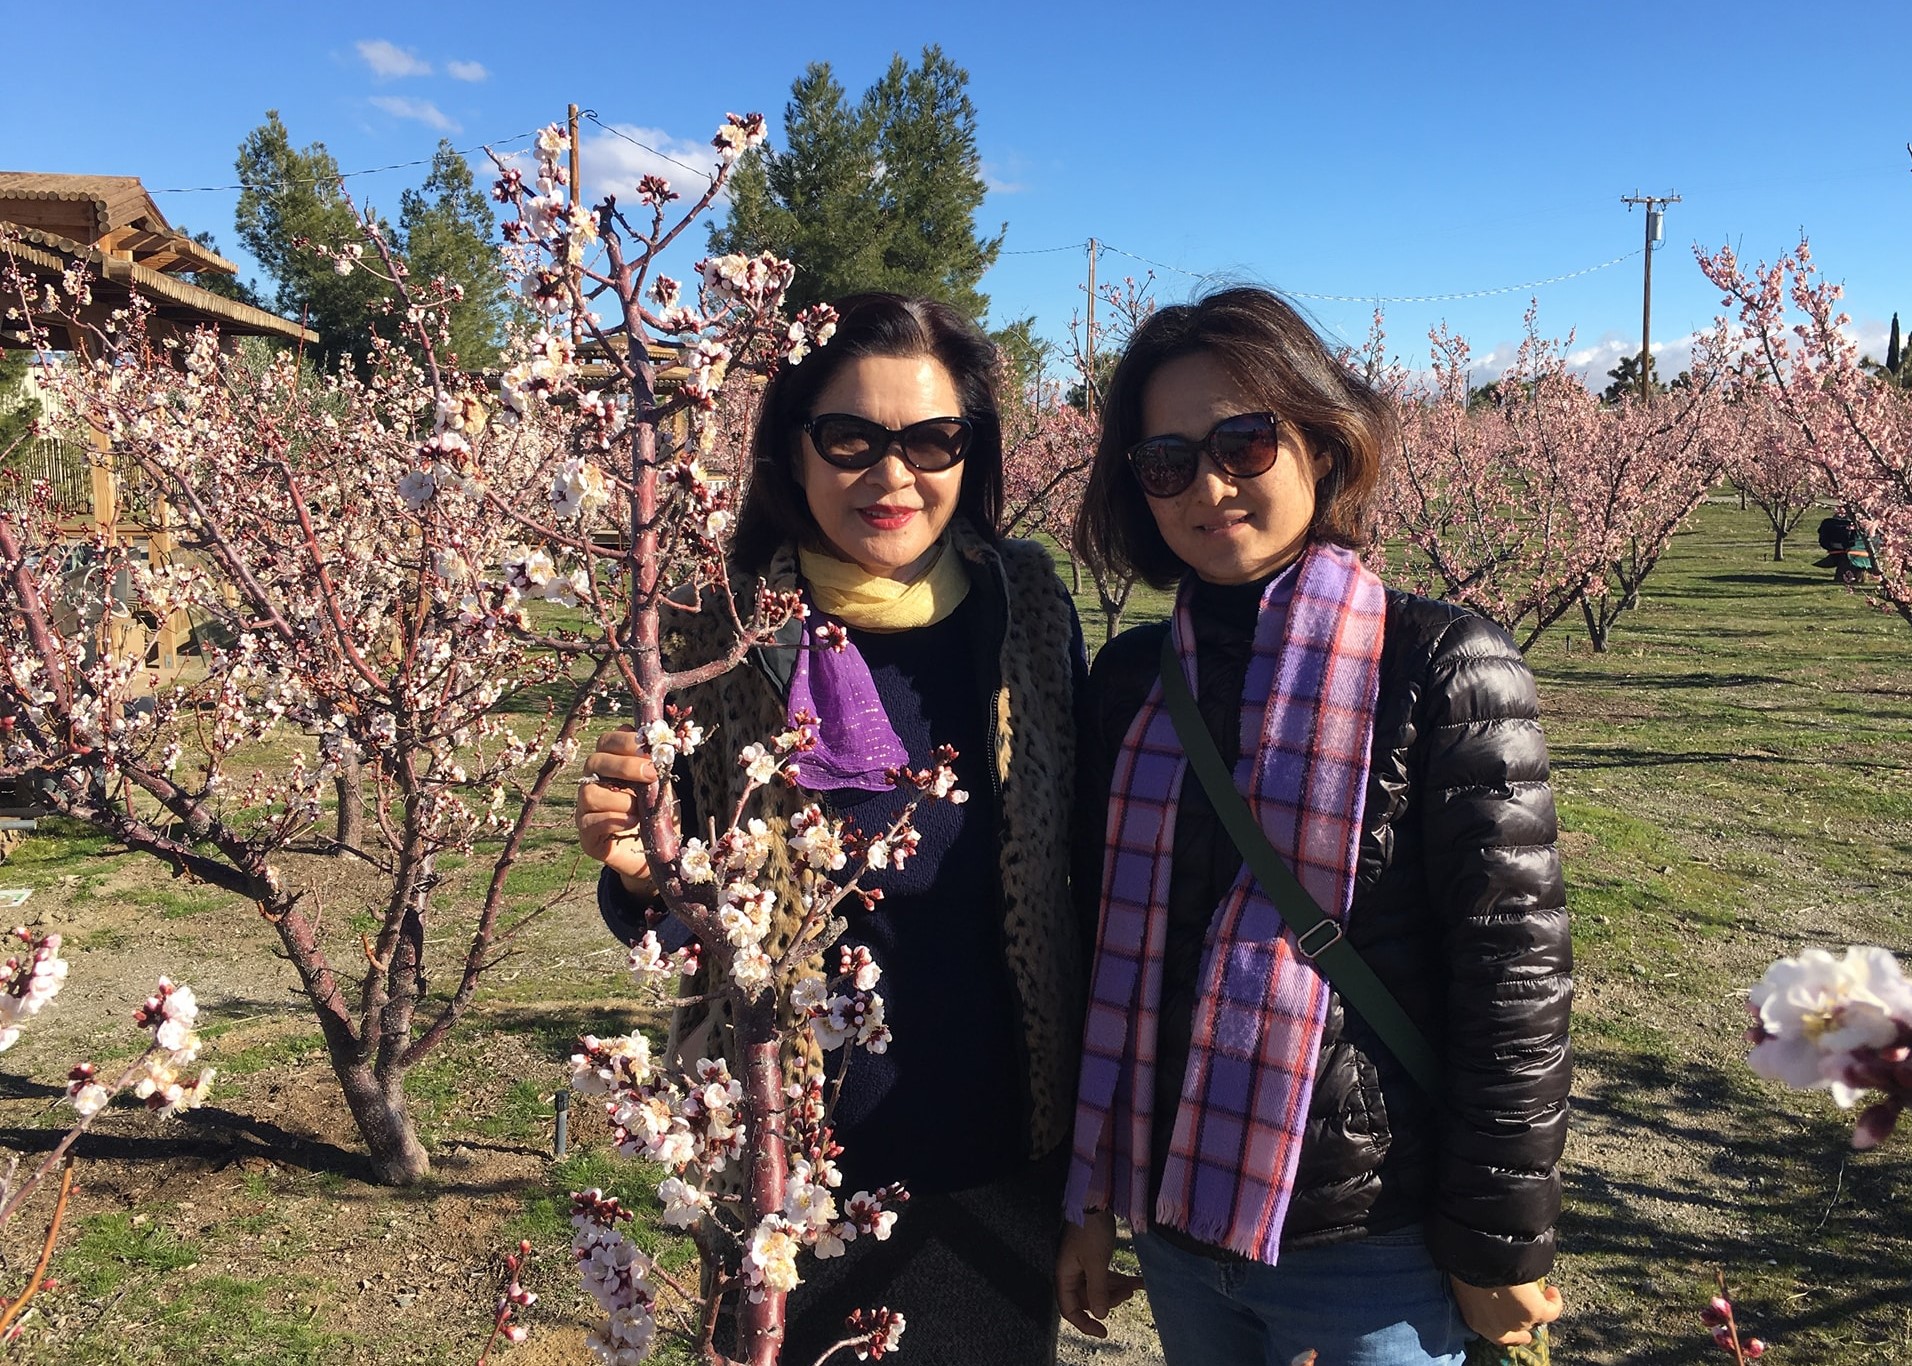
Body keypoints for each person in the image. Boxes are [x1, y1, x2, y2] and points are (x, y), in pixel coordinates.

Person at [1054, 287, 1572, 1366]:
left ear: (1323, 442)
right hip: (1179, 1219)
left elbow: (1513, 976)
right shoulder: (1128, 682)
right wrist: (1090, 1197)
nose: (1209, 484)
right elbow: (1099, 952)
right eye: (1165, 460)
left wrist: (1496, 1242)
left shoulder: (1438, 664)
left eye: (1244, 441)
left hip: (1369, 1240)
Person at [575, 293, 1089, 1365]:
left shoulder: (1026, 610)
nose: (891, 476)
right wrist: (637, 885)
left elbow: (1075, 872)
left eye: (932, 439)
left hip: (1000, 1147)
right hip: (778, 1155)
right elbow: (680, 927)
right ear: (790, 451)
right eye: (849, 438)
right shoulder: (713, 633)